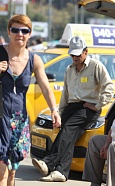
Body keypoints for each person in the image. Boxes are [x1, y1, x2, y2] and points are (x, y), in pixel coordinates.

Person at [31, 36, 115, 182]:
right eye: (72, 55)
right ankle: (61, 172)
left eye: (77, 54)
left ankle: (49, 162)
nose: (74, 57)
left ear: (86, 52)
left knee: (68, 130)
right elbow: (66, 94)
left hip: (87, 108)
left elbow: (109, 87)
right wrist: (60, 113)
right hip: (72, 107)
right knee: (66, 134)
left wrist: (97, 105)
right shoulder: (69, 69)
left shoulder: (96, 66)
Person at [0, 14, 61, 186]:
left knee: (12, 173)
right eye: (15, 30)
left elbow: (45, 87)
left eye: (24, 30)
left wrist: (54, 110)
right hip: (0, 117)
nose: (19, 34)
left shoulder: (34, 60)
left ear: (29, 34)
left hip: (19, 120)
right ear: (9, 31)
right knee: (2, 171)